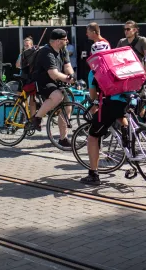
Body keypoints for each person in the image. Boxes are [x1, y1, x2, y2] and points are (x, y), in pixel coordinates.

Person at [81, 41, 130, 185]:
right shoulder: (119, 63)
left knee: (92, 137)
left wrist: (94, 98)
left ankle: (93, 174)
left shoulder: (94, 71)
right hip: (129, 100)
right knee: (120, 116)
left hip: (110, 104)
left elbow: (93, 95)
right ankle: (127, 136)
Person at [30, 29, 75, 147]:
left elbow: (68, 66)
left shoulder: (63, 50)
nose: (67, 41)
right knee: (57, 96)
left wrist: (71, 75)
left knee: (67, 108)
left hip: (56, 82)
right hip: (43, 82)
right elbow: (53, 74)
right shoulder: (47, 52)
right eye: (65, 39)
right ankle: (37, 118)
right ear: (58, 41)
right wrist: (67, 79)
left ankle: (63, 138)